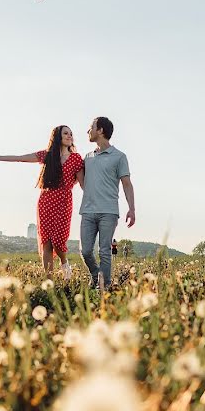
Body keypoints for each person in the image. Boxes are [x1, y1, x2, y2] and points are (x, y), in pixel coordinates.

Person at [0, 126, 85, 278]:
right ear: (57, 137)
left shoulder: (76, 158)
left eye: (71, 134)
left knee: (58, 240)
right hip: (46, 200)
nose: (69, 136)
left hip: (64, 201)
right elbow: (20, 158)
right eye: (66, 133)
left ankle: (64, 260)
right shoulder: (48, 155)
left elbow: (83, 184)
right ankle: (49, 282)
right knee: (47, 241)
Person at [79, 117, 135, 290]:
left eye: (91, 128)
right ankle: (96, 276)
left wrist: (132, 209)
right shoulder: (87, 158)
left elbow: (126, 183)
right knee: (85, 251)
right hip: (87, 211)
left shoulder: (119, 157)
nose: (88, 131)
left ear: (100, 130)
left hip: (108, 212)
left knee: (104, 251)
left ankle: (104, 287)